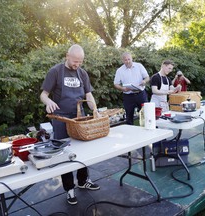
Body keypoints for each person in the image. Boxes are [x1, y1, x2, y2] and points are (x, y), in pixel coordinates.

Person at [40, 44, 100, 205]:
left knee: (83, 150)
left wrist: (95, 110)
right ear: (67, 56)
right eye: (75, 61)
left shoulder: (82, 73)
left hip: (80, 118)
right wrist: (48, 101)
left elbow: (89, 94)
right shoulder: (55, 71)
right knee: (64, 154)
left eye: (80, 61)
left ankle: (83, 180)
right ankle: (69, 189)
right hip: (61, 119)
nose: (77, 64)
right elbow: (43, 95)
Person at [113, 52, 150, 125]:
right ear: (122, 61)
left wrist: (144, 81)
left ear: (132, 58)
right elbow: (116, 84)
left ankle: (148, 132)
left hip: (140, 94)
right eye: (125, 60)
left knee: (146, 115)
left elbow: (147, 77)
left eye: (129, 59)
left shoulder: (139, 66)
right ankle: (130, 134)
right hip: (128, 96)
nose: (127, 61)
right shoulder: (120, 70)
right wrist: (122, 88)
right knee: (129, 118)